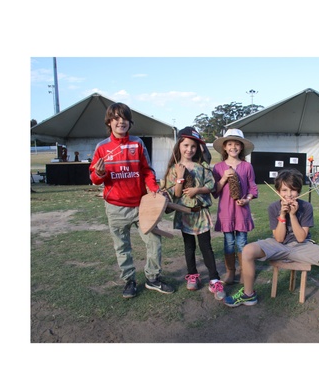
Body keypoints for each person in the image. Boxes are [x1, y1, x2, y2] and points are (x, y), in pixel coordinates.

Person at [223, 169, 319, 334]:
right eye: (284, 190)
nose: (289, 194)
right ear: (277, 191)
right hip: (278, 244)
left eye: (293, 190)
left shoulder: (306, 207)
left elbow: (300, 238)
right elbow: (278, 238)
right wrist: (282, 215)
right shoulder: (273, 207)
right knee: (248, 250)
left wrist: (293, 215)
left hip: (302, 245)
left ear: (299, 191)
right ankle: (248, 294)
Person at [89, 102, 175, 299]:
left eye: (125, 118)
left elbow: (147, 170)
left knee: (154, 241)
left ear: (130, 122)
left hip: (141, 206)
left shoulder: (137, 143)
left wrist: (154, 189)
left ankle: (153, 279)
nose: (121, 122)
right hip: (115, 208)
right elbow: (94, 178)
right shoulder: (102, 148)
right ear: (109, 122)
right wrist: (100, 174)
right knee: (122, 246)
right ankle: (129, 281)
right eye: (116, 118)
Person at [164, 127, 225, 300]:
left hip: (200, 213)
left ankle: (214, 279)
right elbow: (175, 194)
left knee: (206, 246)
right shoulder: (174, 169)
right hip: (184, 213)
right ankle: (192, 275)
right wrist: (180, 177)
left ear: (198, 148)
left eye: (193, 146)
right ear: (179, 146)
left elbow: (211, 186)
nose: (189, 149)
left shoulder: (203, 167)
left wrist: (197, 190)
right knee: (189, 246)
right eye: (186, 145)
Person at [211, 128, 258, 285]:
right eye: (229, 144)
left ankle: (244, 271)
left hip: (242, 211)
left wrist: (247, 199)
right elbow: (215, 190)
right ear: (224, 147)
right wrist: (224, 177)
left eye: (237, 144)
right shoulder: (218, 168)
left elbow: (252, 188)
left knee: (242, 243)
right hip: (226, 211)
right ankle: (231, 271)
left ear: (241, 147)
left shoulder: (247, 166)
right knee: (229, 242)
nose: (233, 147)